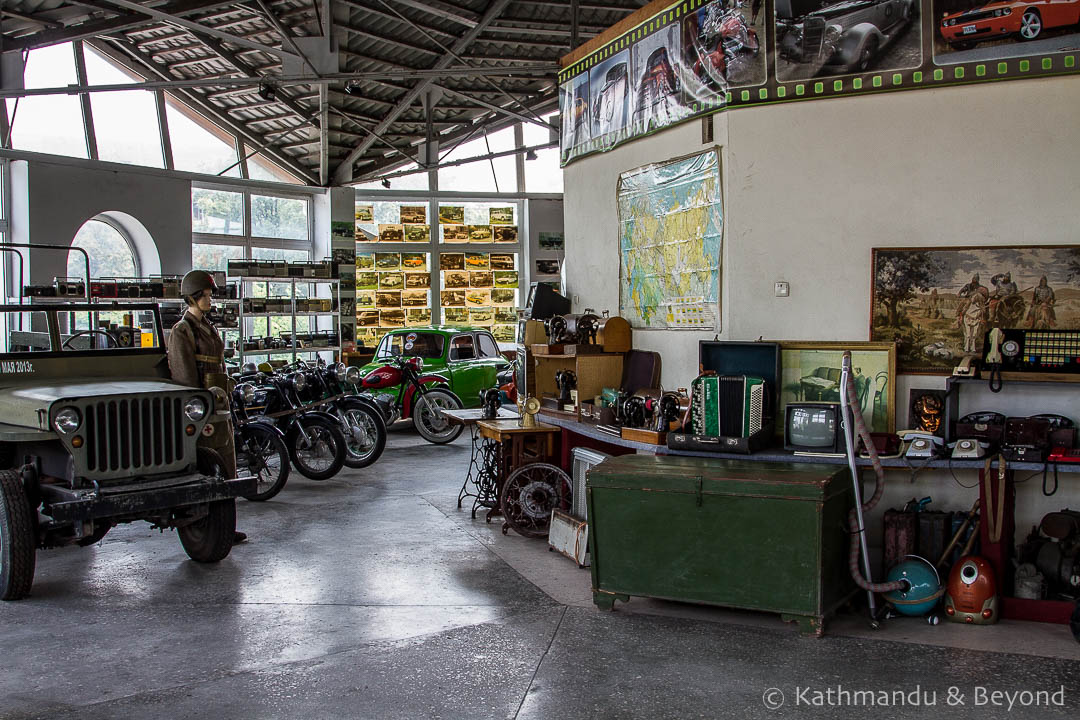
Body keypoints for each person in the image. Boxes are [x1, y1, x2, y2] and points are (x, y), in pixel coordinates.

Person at [167, 270, 246, 544]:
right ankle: (208, 527)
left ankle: (226, 526)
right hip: (202, 409)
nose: (210, 300)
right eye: (207, 295)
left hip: (220, 403)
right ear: (194, 296)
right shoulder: (182, 331)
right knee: (206, 467)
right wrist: (198, 405)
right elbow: (184, 377)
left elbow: (219, 363)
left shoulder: (208, 326)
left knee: (227, 465)